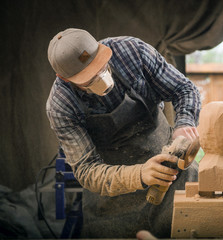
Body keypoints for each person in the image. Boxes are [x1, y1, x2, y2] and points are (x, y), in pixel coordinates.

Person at [46, 28, 200, 238]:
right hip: (114, 197)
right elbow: (86, 170)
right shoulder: (61, 106)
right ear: (64, 78)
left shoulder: (133, 51)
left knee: (200, 223)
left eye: (102, 67)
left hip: (172, 172)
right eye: (89, 80)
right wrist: (138, 175)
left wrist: (184, 124)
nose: (101, 77)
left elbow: (184, 89)